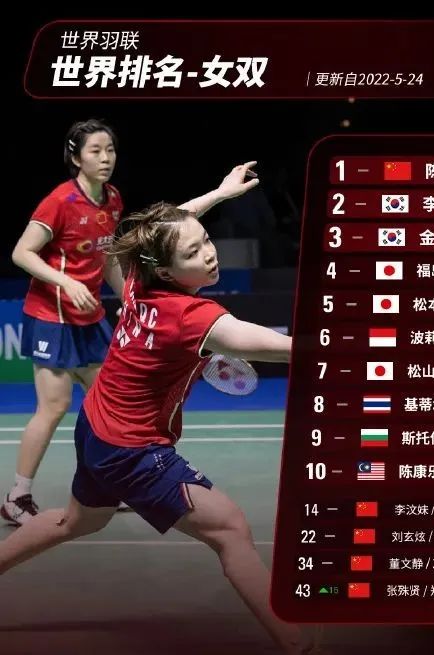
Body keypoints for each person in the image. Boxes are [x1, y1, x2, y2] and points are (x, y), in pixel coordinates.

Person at [0, 175, 321, 654]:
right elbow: (278, 347)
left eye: (206, 241)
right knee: (230, 528)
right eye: (193, 252)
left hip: (97, 425)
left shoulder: (136, 277)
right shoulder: (192, 317)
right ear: (167, 271)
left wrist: (218, 195)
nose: (209, 254)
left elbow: (156, 232)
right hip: (131, 449)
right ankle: (298, 643)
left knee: (75, 522)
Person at [1, 119, 125, 525]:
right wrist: (67, 282)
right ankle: (17, 497)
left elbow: (107, 259)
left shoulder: (113, 199)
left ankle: (108, 484)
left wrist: (128, 297)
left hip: (90, 317)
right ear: (76, 157)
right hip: (51, 318)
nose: (105, 158)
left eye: (110, 149)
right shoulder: (59, 201)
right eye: (95, 151)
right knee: (54, 407)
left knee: (108, 402)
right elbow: (22, 253)